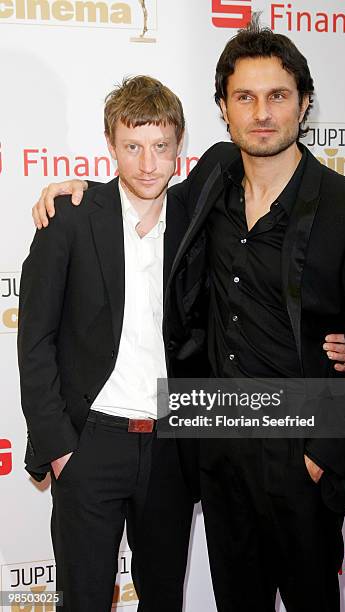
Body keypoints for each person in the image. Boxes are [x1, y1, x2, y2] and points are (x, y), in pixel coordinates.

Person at [27, 22, 345, 612]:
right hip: (214, 447)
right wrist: (77, 191)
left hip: (295, 453)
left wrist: (323, 455)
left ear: (304, 102)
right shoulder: (212, 183)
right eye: (245, 97)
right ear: (224, 109)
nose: (262, 113)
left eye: (278, 96)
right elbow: (135, 188)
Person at [18, 75, 196, 612]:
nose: (148, 163)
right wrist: (60, 449)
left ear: (179, 145)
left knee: (163, 598)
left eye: (161, 146)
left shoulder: (200, 221)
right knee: (85, 601)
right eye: (133, 146)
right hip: (89, 445)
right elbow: (35, 341)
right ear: (110, 145)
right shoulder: (70, 216)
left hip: (171, 449)